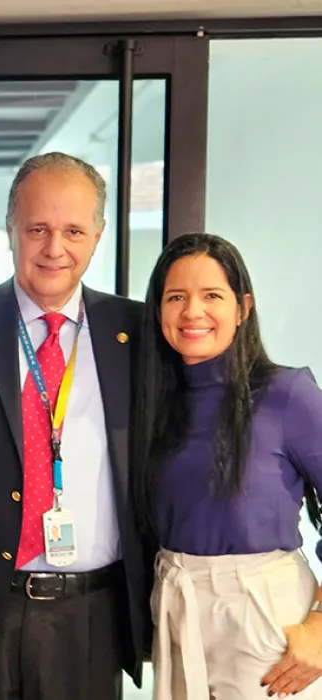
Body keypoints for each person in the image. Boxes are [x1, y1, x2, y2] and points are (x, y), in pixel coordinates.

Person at [0, 152, 150, 700]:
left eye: (73, 231)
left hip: (91, 615)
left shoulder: (135, 333)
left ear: (98, 235)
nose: (54, 248)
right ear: (10, 228)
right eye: (38, 228)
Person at [133, 233, 322, 699]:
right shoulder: (152, 405)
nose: (192, 311)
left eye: (212, 296)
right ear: (158, 311)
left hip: (265, 616)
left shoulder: (287, 394)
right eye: (176, 297)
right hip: (177, 604)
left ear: (242, 308)